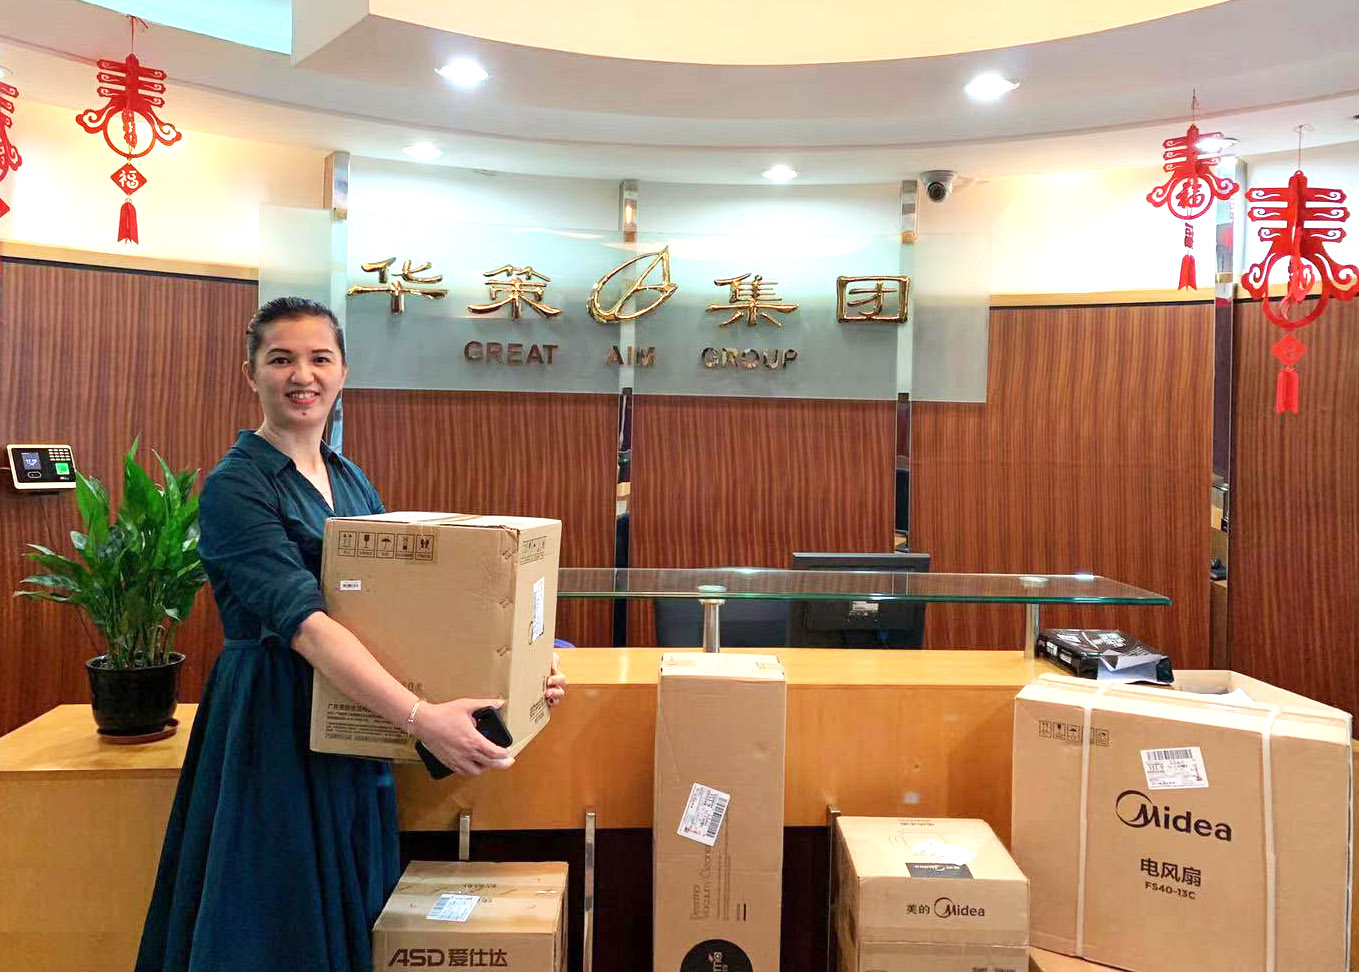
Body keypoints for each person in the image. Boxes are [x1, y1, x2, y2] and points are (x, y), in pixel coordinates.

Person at [135, 297, 567, 972]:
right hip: (273, 721)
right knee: (275, 916)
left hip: (355, 714)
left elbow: (404, 612)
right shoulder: (235, 487)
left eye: (319, 358)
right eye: (281, 359)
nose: (301, 375)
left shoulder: (349, 477)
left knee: (351, 903)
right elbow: (306, 627)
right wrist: (420, 717)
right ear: (251, 374)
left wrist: (516, 679)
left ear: (343, 372)